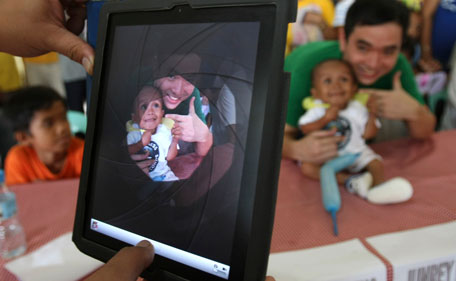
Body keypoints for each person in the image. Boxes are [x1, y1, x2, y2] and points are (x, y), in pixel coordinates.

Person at [283, 0, 436, 164]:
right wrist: (296, 149)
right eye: (363, 47)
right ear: (343, 38)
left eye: (389, 51)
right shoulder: (306, 65)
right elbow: (275, 135)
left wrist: (414, 112)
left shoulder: (399, 66)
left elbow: (425, 131)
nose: (373, 63)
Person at [299, 59, 384, 198]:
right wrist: (324, 119)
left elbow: (368, 135)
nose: (336, 86)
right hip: (326, 155)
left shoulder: (357, 108)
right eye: (327, 81)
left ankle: (378, 190)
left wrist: (373, 113)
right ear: (315, 93)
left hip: (355, 153)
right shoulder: (317, 110)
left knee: (376, 164)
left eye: (343, 79)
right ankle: (349, 180)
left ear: (354, 89)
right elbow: (305, 129)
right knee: (307, 168)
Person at [3, 86, 84, 186]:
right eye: (48, 123)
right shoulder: (18, 160)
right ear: (24, 137)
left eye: (64, 117)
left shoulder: (82, 151)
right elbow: (20, 199)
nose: (62, 128)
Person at [126, 86, 179, 181]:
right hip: (141, 178)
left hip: (164, 175)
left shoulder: (164, 131)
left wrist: (175, 141)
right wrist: (140, 144)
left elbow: (169, 157)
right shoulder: (133, 134)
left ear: (162, 113)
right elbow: (125, 153)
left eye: (155, 105)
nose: (150, 111)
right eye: (144, 107)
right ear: (134, 118)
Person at [154, 74, 213, 157]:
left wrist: (204, 135)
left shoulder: (192, 95)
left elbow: (203, 151)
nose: (178, 91)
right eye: (171, 76)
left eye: (189, 80)